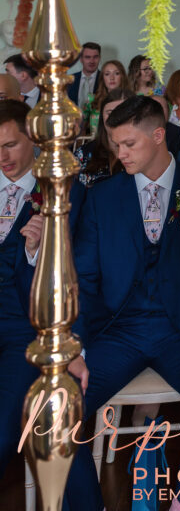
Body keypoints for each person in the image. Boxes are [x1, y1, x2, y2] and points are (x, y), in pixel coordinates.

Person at [65, 95, 180, 511]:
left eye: (128, 144)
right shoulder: (103, 198)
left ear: (159, 136)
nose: (119, 154)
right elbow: (85, 280)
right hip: (116, 332)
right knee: (57, 407)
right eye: (115, 144)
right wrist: (77, 344)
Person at [0, 100, 85, 480]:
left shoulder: (65, 190)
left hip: (26, 325)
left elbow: (78, 271)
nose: (1, 157)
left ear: (33, 139)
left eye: (9, 145)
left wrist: (35, 254)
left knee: (4, 418)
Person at [74, 87, 134, 186]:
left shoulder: (144, 154)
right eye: (110, 113)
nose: (115, 118)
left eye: (122, 111)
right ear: (102, 117)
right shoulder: (83, 154)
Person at [84, 59, 129, 135]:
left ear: (122, 76)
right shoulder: (92, 99)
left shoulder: (131, 100)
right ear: (103, 78)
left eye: (116, 73)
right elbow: (81, 127)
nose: (112, 78)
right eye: (107, 74)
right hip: (96, 144)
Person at [67, 42, 101, 109]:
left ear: (99, 58)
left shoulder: (105, 79)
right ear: (81, 59)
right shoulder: (69, 80)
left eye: (95, 57)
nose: (92, 61)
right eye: (87, 57)